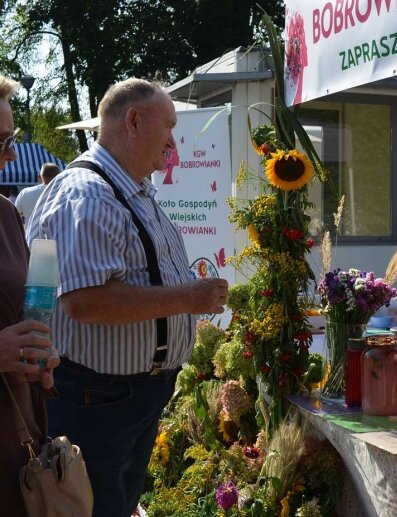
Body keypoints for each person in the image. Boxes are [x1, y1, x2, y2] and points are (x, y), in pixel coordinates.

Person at [26, 78, 229, 517]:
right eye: (168, 126)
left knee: (116, 505)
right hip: (96, 401)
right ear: (134, 121)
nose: (173, 143)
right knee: (95, 507)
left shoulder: (131, 190)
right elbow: (85, 301)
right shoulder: (87, 193)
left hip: (124, 399)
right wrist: (187, 299)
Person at [0, 75, 59, 516]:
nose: (12, 154)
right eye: (2, 142)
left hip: (14, 434)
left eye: (11, 139)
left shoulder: (5, 215)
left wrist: (39, 351)